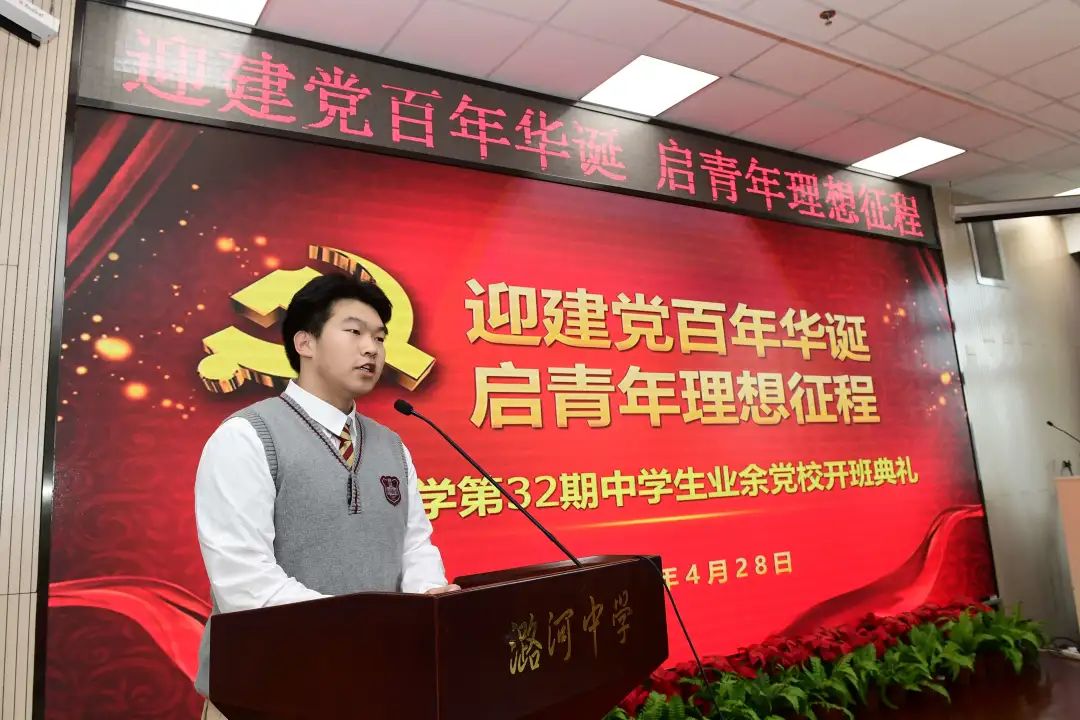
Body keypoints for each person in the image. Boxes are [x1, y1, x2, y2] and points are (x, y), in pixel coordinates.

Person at [193, 273, 457, 719]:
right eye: (354, 332)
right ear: (305, 342)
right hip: (265, 694)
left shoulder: (392, 444)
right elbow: (244, 582)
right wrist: (359, 627)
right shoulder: (247, 436)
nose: (371, 349)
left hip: (374, 684)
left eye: (379, 338)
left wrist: (429, 598)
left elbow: (413, 545)